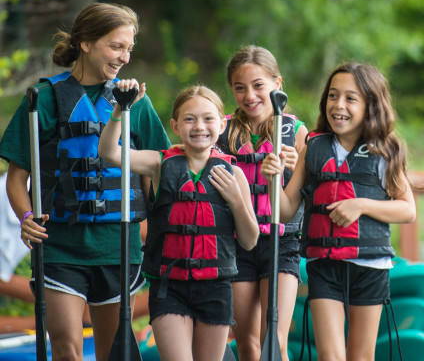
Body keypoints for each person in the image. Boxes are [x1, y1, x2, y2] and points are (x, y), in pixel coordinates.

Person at [0, 2, 171, 361]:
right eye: (116, 46)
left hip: (118, 244)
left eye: (129, 49)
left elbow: (162, 170)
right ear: (87, 43)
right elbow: (17, 178)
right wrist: (27, 218)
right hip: (60, 243)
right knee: (66, 347)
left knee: (112, 351)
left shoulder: (135, 102)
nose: (124, 57)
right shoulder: (42, 99)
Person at [261, 62, 416, 360]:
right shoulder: (314, 147)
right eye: (333, 96)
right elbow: (286, 210)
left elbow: (407, 209)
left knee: (360, 356)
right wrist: (273, 179)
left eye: (350, 98)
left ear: (371, 105)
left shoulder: (386, 150)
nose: (338, 105)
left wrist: (361, 205)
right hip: (324, 266)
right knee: (330, 356)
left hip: (370, 267)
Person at [99, 81, 259, 361]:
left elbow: (249, 240)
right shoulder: (159, 163)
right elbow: (109, 153)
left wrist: (235, 199)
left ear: (222, 125)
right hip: (168, 286)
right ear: (175, 126)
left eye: (208, 119)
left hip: (215, 286)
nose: (199, 126)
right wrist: (120, 110)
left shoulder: (234, 174)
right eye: (189, 119)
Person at [217, 45, 308, 361]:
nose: (249, 95)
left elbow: (295, 203)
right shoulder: (221, 130)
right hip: (237, 244)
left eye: (258, 85)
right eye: (239, 88)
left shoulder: (296, 134)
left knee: (275, 342)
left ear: (277, 84)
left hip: (281, 244)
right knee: (248, 344)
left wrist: (290, 170)